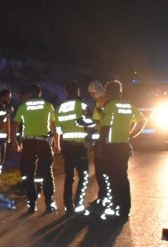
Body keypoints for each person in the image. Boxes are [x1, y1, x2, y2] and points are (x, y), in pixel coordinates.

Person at [97, 80, 146, 219]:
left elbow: (105, 128)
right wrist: (131, 135)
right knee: (122, 177)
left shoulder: (109, 106)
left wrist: (100, 147)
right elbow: (142, 121)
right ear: (120, 91)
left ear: (108, 92)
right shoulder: (129, 106)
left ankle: (115, 205)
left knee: (112, 177)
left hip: (111, 147)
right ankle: (125, 208)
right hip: (124, 146)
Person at [14, 83, 59, 213]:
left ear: (28, 94)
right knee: (47, 173)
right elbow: (53, 126)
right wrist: (57, 144)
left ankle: (32, 203)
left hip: (28, 143)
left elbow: (15, 124)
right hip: (43, 142)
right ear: (40, 93)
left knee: (28, 173)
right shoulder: (47, 105)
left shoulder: (23, 106)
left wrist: (14, 142)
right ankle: (49, 203)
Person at [56, 80, 93, 214]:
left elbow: (58, 128)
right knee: (83, 175)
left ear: (66, 91)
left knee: (69, 176)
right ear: (78, 90)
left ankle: (68, 205)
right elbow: (87, 122)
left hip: (66, 145)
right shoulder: (82, 105)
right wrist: (93, 123)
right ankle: (78, 203)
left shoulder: (60, 108)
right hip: (79, 145)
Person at [87, 80, 109, 211]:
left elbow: (104, 122)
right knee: (100, 172)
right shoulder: (98, 103)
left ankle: (106, 199)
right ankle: (103, 197)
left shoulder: (107, 103)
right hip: (101, 139)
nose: (91, 95)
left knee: (104, 172)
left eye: (93, 93)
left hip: (106, 141)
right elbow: (96, 120)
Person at [0, 88, 14, 181]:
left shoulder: (6, 108)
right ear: (2, 97)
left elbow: (8, 122)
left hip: (3, 138)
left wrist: (9, 136)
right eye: (8, 97)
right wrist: (7, 113)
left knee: (2, 160)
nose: (9, 99)